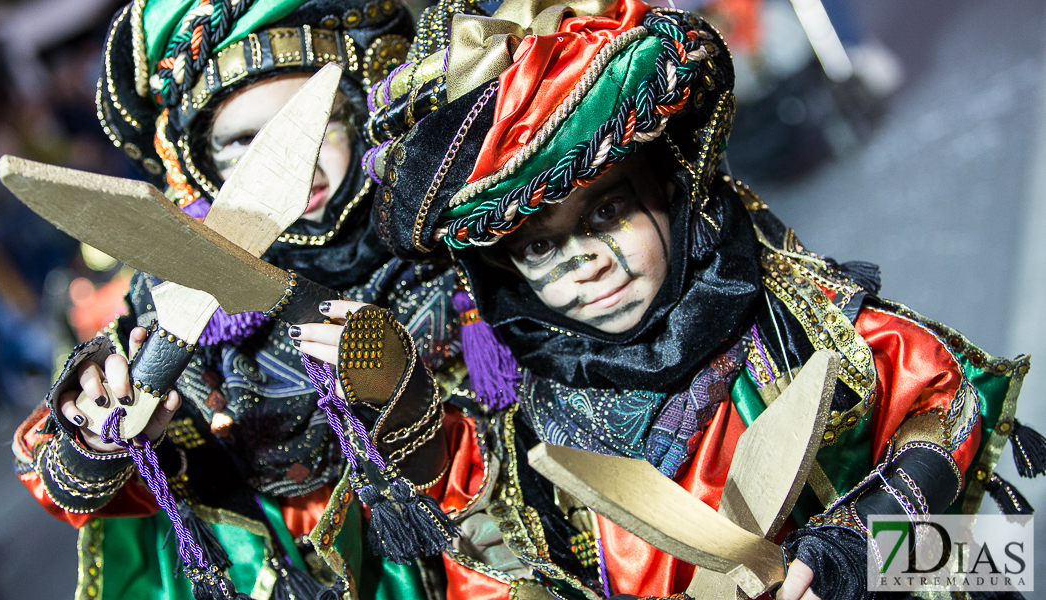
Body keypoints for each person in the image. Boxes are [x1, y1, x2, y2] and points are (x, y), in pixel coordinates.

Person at [363, 0, 1039, 598]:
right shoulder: (527, 434)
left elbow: (957, 447)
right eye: (541, 247)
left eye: (608, 212)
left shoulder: (799, 330)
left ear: (670, 188)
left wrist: (853, 555)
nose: (588, 263)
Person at [11, 0, 473, 598]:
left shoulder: (438, 243)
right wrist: (101, 436)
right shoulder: (167, 291)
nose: (290, 162)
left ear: (359, 119)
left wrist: (404, 402)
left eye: (316, 124)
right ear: (202, 163)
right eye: (241, 143)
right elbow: (69, 482)